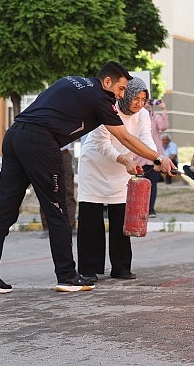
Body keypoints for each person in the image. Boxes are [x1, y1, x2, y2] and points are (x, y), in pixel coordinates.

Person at [0, 61, 176, 294]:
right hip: (40, 143)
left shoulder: (70, 80)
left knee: (4, 210)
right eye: (120, 89)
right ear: (107, 82)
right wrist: (159, 159)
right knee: (58, 210)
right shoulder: (101, 98)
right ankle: (67, 276)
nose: (120, 96)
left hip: (15, 135)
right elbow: (125, 138)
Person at [76, 77, 156, 282]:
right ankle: (89, 268)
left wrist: (157, 158)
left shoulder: (143, 115)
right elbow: (102, 145)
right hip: (94, 166)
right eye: (135, 98)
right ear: (126, 95)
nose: (139, 103)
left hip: (121, 170)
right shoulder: (108, 109)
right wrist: (125, 160)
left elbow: (145, 138)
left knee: (121, 217)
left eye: (143, 99)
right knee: (91, 218)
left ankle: (121, 267)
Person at [133, 99, 169, 217]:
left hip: (154, 157)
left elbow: (164, 126)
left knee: (152, 183)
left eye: (149, 102)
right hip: (139, 156)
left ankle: (151, 209)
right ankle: (139, 208)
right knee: (138, 184)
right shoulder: (136, 117)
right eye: (145, 102)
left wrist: (164, 109)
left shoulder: (155, 117)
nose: (147, 104)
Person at [39, 143, 76, 238]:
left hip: (63, 154)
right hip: (46, 154)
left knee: (68, 190)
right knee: (46, 190)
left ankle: (71, 226)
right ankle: (47, 226)